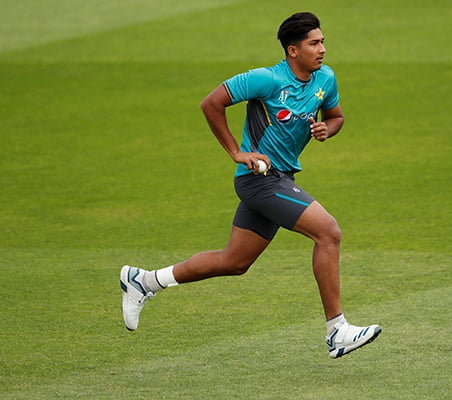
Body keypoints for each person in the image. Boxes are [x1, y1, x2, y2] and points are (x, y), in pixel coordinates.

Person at [120, 12, 381, 359]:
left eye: (322, 41)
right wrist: (236, 152)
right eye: (314, 43)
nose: (323, 49)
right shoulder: (266, 79)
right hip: (260, 180)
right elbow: (211, 103)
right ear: (292, 50)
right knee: (328, 232)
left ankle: (144, 281)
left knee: (235, 261)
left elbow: (336, 117)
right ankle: (337, 330)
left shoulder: (326, 79)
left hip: (281, 179)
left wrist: (326, 130)